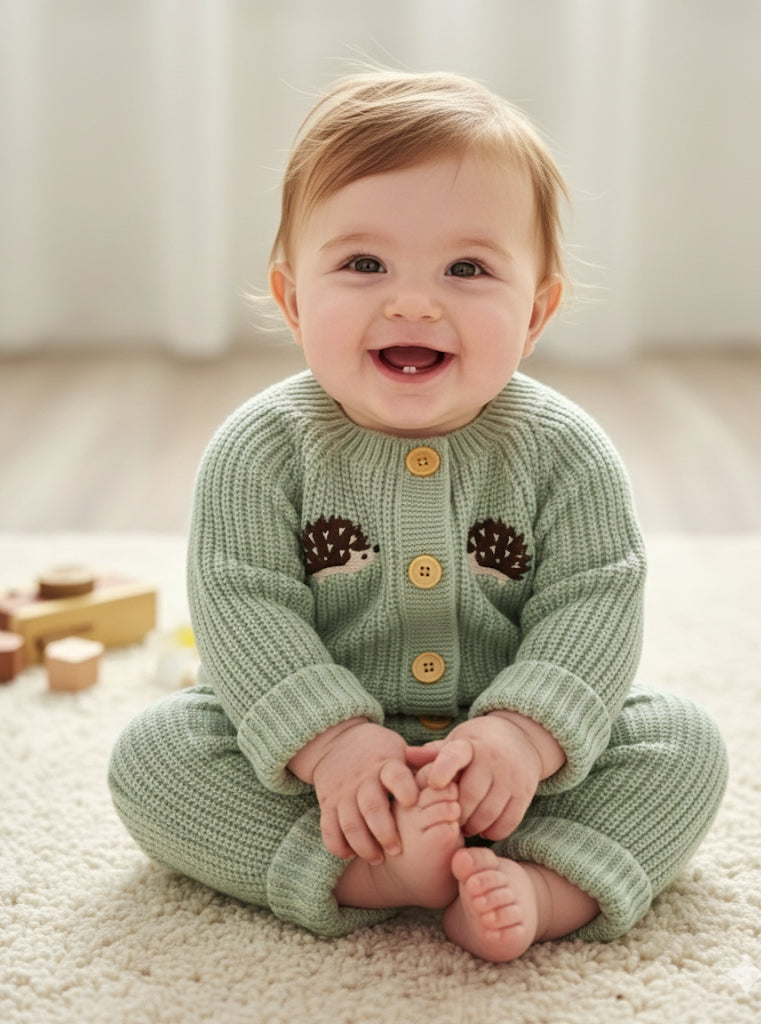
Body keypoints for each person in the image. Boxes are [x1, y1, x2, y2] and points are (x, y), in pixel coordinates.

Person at [109, 69, 728, 962]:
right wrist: (331, 747)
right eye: (364, 265)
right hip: (316, 768)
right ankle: (372, 873)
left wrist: (523, 735)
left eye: (467, 269)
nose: (411, 301)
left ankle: (543, 885)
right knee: (156, 755)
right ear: (292, 300)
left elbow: (596, 601)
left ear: (536, 311)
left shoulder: (565, 452)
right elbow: (243, 608)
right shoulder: (259, 451)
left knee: (683, 743)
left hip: (512, 768)